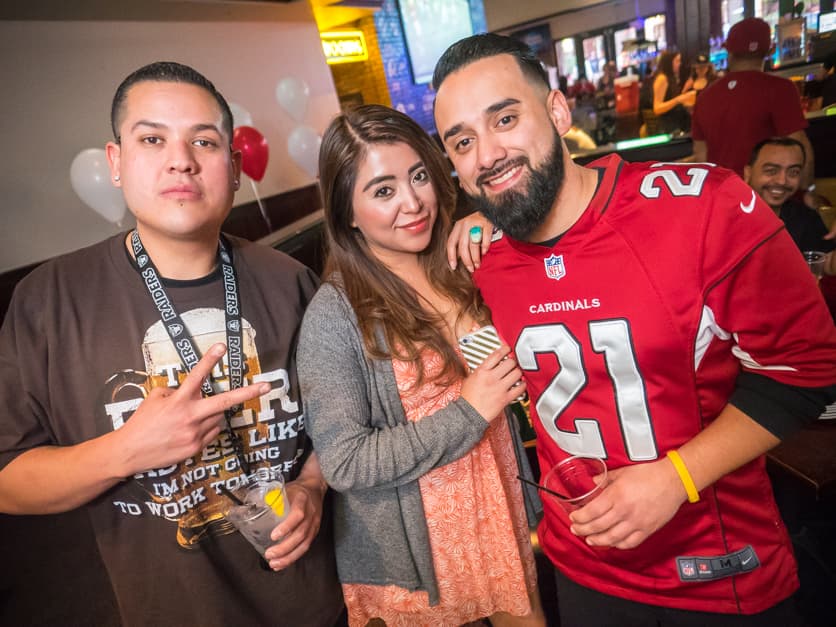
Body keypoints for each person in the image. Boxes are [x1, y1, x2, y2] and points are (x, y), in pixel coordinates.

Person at [432, 32, 836, 626]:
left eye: (506, 118)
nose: (487, 153)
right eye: (463, 141)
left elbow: (809, 367)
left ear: (558, 111)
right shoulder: (481, 257)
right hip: (584, 568)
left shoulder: (701, 208)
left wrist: (676, 478)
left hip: (715, 572)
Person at [0, 62, 344, 626]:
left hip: (311, 598)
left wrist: (311, 486)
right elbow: (8, 479)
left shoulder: (289, 281)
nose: (180, 159)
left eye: (203, 141)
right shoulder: (50, 301)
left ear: (233, 169)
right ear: (116, 163)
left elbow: (341, 418)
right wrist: (127, 450)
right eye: (152, 138)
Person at [296, 104, 545, 627]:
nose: (412, 203)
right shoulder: (336, 314)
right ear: (347, 213)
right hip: (414, 566)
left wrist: (493, 222)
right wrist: (469, 411)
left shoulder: (464, 264)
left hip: (501, 521)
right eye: (383, 191)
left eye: (418, 177)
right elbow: (344, 462)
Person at [692, 17, 815, 187]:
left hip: (725, 197)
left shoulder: (704, 97)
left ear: (729, 51)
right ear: (770, 51)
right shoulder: (781, 89)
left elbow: (701, 156)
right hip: (768, 197)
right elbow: (799, 146)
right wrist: (808, 189)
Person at [743, 136, 836, 273]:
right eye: (771, 171)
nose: (782, 181)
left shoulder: (803, 217)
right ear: (748, 173)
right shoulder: (724, 217)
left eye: (793, 172)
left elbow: (826, 265)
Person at [650, 50, 695, 134]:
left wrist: (685, 90)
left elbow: (672, 99)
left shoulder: (670, 78)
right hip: (669, 127)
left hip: (676, 124)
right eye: (677, 61)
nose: (680, 63)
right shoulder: (662, 78)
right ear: (669, 62)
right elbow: (657, 108)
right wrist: (678, 99)